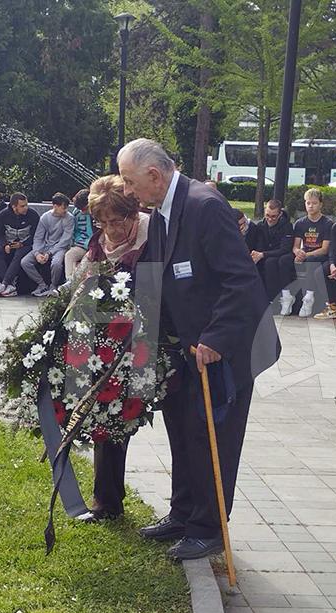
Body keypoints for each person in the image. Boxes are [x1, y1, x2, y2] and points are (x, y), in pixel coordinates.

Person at [118, 138, 279, 561]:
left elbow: (242, 281)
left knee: (213, 437)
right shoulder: (164, 211)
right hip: (185, 349)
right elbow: (152, 275)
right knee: (185, 431)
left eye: (132, 183)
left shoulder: (204, 206)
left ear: (155, 176)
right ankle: (184, 512)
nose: (129, 193)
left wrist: (215, 339)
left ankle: (208, 527)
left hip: (225, 351)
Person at [69, 175, 153, 522]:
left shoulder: (152, 234)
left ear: (133, 213)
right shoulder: (100, 240)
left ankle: (186, 512)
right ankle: (107, 501)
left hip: (149, 339)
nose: (110, 230)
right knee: (108, 416)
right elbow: (81, 283)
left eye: (116, 221)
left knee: (128, 414)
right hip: (107, 342)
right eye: (101, 222)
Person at [277, 188, 332, 317]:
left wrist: (305, 255)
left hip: (318, 256)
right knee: (284, 260)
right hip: (304, 253)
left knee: (310, 261)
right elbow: (295, 246)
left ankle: (309, 297)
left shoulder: (327, 224)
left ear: (320, 204)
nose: (311, 206)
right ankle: (286, 296)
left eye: (314, 203)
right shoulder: (300, 223)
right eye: (308, 203)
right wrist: (298, 252)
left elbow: (325, 249)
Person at [21, 193, 74, 297]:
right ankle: (42, 285)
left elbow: (65, 240)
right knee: (25, 262)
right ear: (55, 206)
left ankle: (53, 286)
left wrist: (50, 253)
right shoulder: (45, 217)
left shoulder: (69, 218)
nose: (66, 210)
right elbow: (38, 237)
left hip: (60, 247)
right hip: (44, 246)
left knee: (56, 264)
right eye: (63, 208)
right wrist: (37, 253)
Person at [0, 193, 41, 297]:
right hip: (9, 243)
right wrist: (4, 245)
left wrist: (22, 244)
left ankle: (4, 284)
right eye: (22, 206)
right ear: (14, 207)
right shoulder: (3, 214)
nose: (25, 208)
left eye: (26, 205)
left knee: (18, 254)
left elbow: (36, 236)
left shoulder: (33, 215)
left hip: (26, 244)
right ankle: (10, 285)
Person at [251, 199, 293, 301]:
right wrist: (257, 254)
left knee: (270, 263)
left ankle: (273, 298)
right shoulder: (261, 225)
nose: (270, 219)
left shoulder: (287, 226)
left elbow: (285, 248)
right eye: (267, 215)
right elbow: (259, 245)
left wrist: (263, 254)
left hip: (281, 255)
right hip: (267, 254)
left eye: (273, 216)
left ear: (279, 214)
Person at [64, 189, 95, 280]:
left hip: (96, 247)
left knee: (89, 260)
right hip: (81, 245)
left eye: (84, 208)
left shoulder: (98, 212)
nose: (82, 211)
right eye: (80, 208)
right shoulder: (76, 212)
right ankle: (69, 282)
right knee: (69, 255)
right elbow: (73, 230)